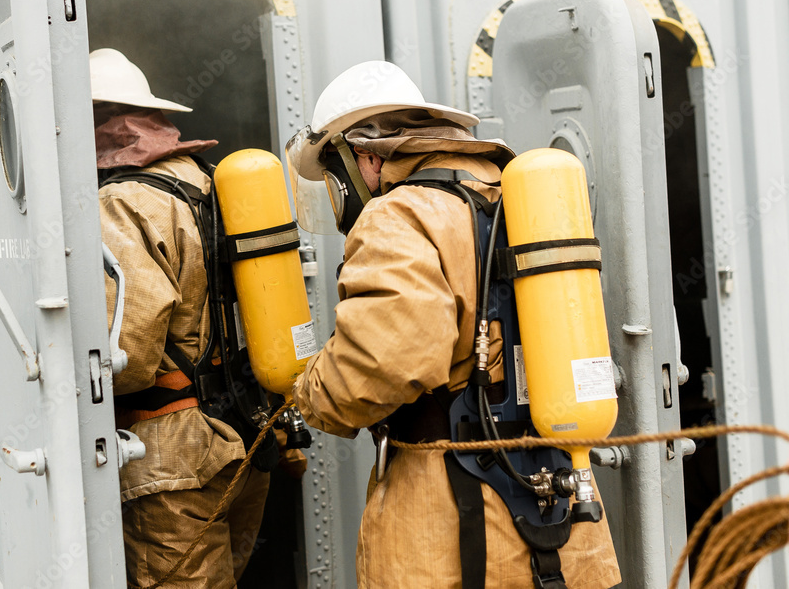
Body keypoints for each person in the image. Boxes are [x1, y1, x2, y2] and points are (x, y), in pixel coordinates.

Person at [287, 61, 622, 588]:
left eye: (334, 172)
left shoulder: (397, 214)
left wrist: (307, 393)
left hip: (451, 517)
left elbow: (386, 360)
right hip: (562, 501)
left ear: (366, 156)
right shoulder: (516, 192)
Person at [93, 48, 269, 587]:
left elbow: (128, 355)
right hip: (242, 436)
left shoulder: (120, 201)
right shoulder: (207, 181)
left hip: (171, 461)